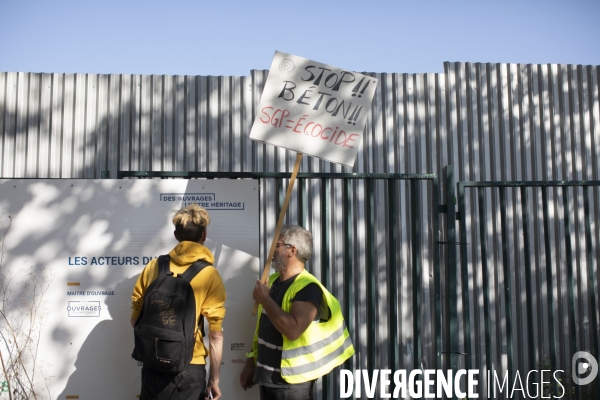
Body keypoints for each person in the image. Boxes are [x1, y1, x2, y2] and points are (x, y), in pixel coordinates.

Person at [240, 224, 354, 400]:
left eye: (277, 245)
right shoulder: (272, 281)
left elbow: (293, 330)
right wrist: (251, 362)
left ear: (291, 250)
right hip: (267, 379)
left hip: (292, 384)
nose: (272, 251)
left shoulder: (308, 288)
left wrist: (265, 299)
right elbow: (263, 329)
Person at [131, 204, 226, 400]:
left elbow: (135, 320)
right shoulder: (209, 274)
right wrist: (214, 380)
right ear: (204, 235)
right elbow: (216, 336)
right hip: (190, 365)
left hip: (153, 363)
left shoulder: (154, 266)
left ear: (176, 235)